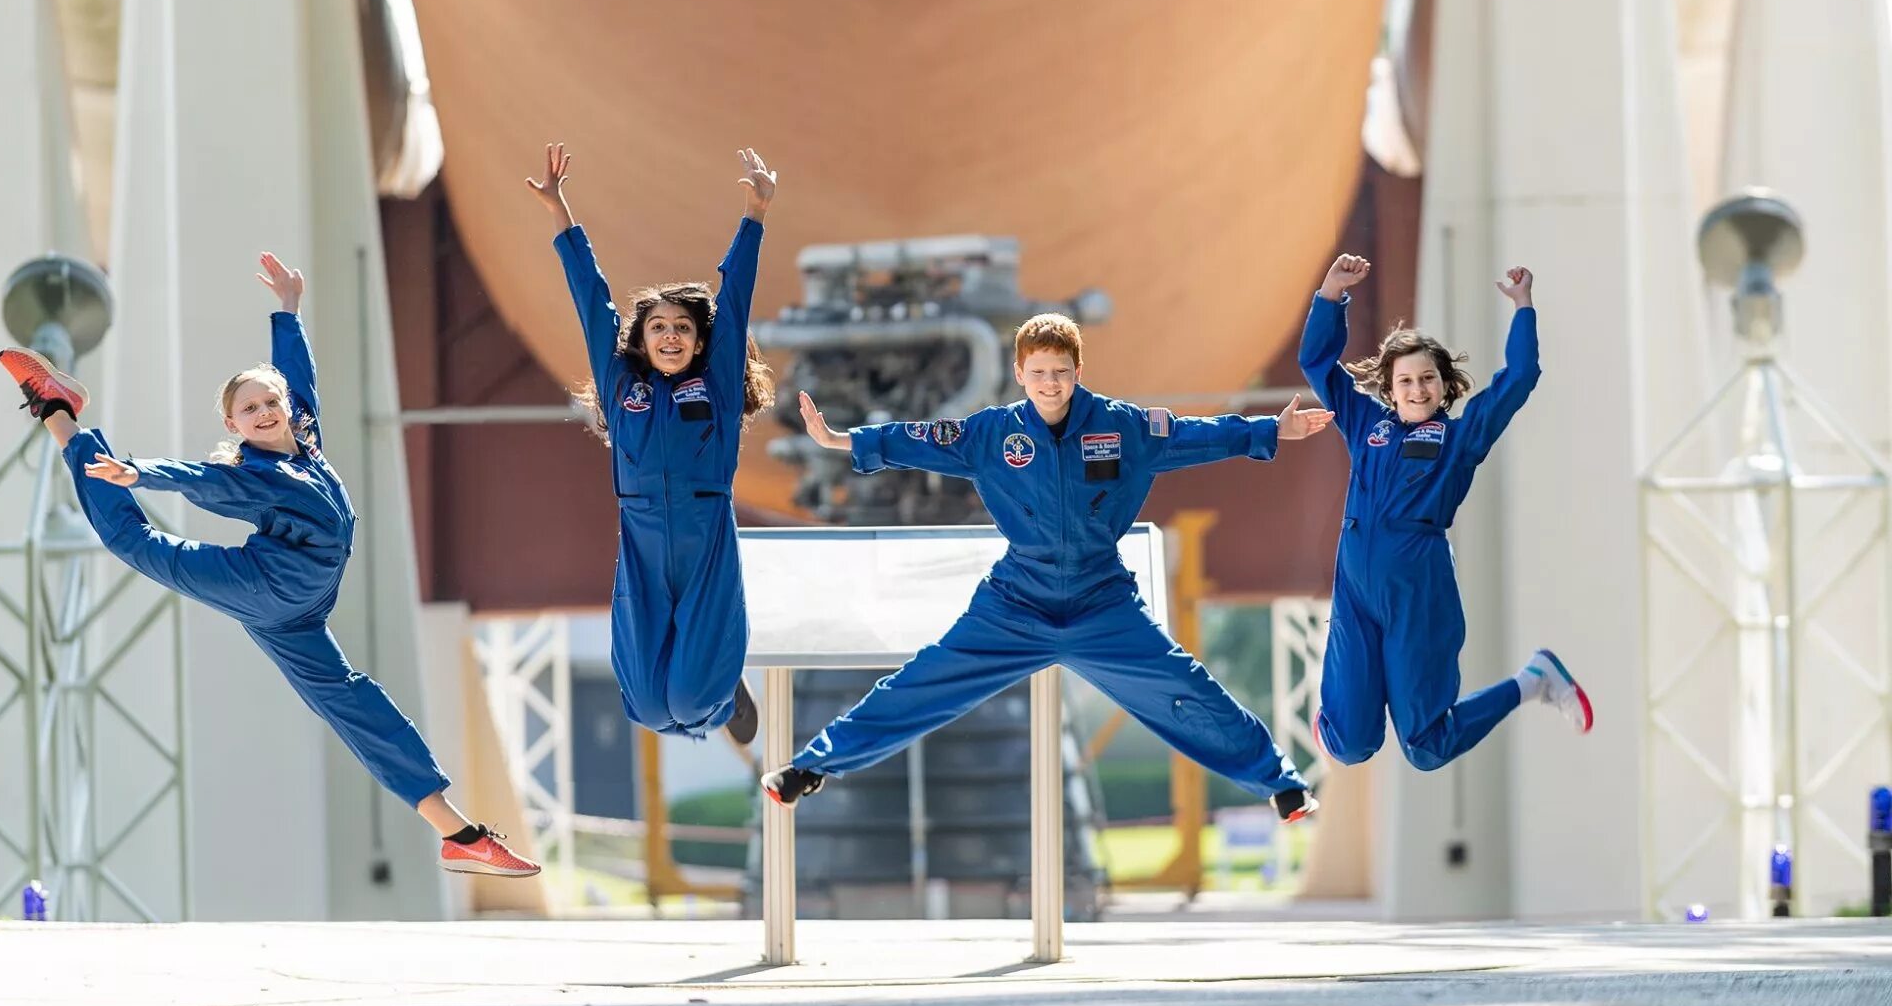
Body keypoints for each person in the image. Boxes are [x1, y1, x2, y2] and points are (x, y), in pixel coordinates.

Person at [0, 252, 538, 876]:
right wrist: (139, 472)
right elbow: (201, 479)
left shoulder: (304, 438)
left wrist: (288, 312)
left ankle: (459, 833)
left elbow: (296, 374)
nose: (263, 412)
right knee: (136, 543)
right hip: (263, 586)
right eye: (247, 410)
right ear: (232, 424)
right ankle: (61, 416)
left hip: (300, 613)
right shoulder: (249, 474)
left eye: (268, 403)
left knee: (351, 701)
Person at [763, 312, 1325, 824]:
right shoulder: (989, 434)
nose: (1050, 383)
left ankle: (1281, 785)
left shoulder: (1124, 427)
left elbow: (1196, 435)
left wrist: (1271, 430)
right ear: (1019, 373)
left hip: (1101, 604)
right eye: (1038, 372)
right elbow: (919, 439)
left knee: (1187, 689)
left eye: (1060, 371)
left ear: (1078, 370)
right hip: (1016, 605)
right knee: (921, 684)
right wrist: (844, 441)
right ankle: (812, 767)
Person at [1297, 253, 1591, 773]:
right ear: (1388, 390)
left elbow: (1520, 376)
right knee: (1348, 745)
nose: (1417, 389)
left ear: (1444, 385)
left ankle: (1534, 680)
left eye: (1428, 379)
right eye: (1405, 381)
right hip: (1357, 587)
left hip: (1419, 586)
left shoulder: (1461, 436)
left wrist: (1523, 307)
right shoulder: (1366, 422)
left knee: (1428, 747)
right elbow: (1318, 364)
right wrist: (1330, 295)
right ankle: (1339, 714)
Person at [528, 143, 778, 743]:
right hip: (639, 544)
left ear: (699, 342)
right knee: (644, 708)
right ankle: (714, 693)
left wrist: (755, 215)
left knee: (691, 700)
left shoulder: (713, 388)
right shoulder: (623, 388)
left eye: (683, 328)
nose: (670, 336)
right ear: (641, 338)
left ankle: (720, 702)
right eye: (659, 327)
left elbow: (736, 300)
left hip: (705, 538)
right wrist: (561, 212)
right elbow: (591, 301)